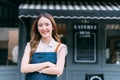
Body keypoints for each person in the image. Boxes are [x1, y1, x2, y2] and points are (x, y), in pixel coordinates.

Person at [20, 12, 68, 80]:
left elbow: (58, 70)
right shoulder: (30, 45)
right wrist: (47, 64)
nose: (44, 28)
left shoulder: (61, 47)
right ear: (37, 28)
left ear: (53, 27)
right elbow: (23, 68)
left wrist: (33, 69)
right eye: (40, 25)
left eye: (47, 24)